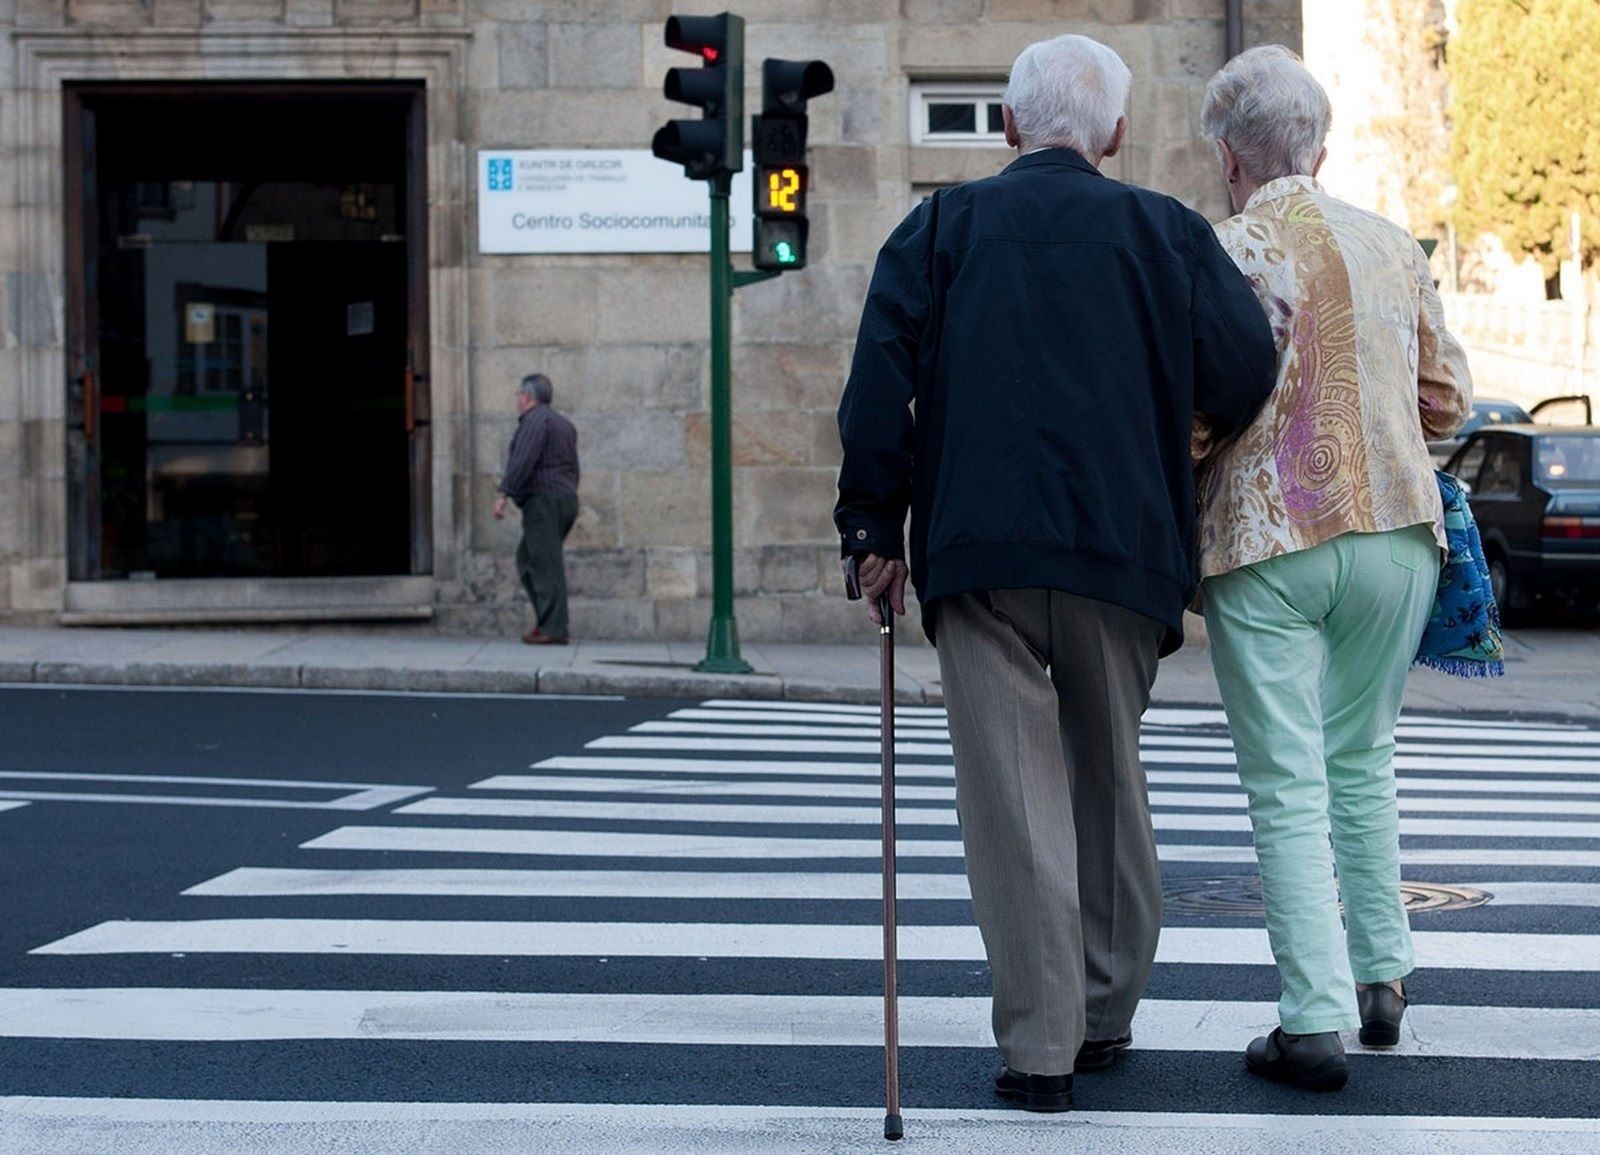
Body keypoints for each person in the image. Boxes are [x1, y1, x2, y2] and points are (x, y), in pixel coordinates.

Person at [834, 33, 1277, 1113]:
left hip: (980, 554)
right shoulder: (1165, 231)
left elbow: (876, 378)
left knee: (1013, 802)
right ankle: (1106, 1010)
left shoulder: (939, 226)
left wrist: (871, 529)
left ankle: (1041, 1048)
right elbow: (1244, 366)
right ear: (1116, 133)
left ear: (1008, 126)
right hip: (1122, 551)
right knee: (1107, 779)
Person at [1193, 46, 1473, 1091]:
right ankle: (1384, 979)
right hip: (1399, 532)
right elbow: (1444, 398)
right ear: (1323, 146)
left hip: (1267, 537)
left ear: (1226, 156)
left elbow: (1197, 404)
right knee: (1362, 756)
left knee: (1284, 780)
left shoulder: (1222, 246)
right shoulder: (1393, 245)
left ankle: (1309, 1021)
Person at [493, 373, 580, 645]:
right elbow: (573, 468)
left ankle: (554, 628)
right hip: (564, 499)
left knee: (543, 564)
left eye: (518, 394)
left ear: (528, 397)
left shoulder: (534, 421)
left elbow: (523, 460)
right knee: (531, 560)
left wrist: (503, 493)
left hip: (544, 501)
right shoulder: (563, 424)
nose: (516, 400)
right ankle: (547, 622)